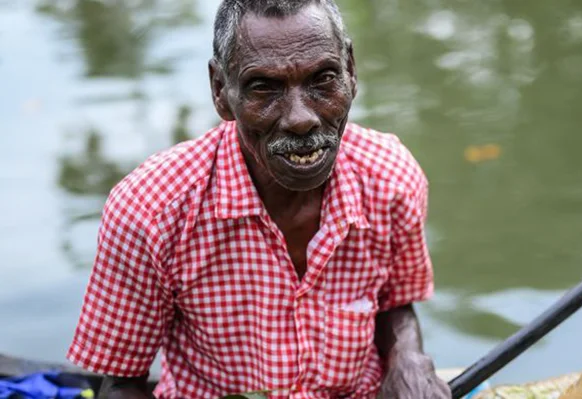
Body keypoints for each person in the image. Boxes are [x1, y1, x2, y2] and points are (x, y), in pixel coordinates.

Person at [66, 1, 451, 398]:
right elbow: (121, 381)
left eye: (323, 79)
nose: (301, 118)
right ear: (221, 91)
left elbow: (395, 302)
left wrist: (408, 358)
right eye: (264, 87)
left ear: (351, 71)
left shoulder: (391, 178)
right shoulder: (149, 210)